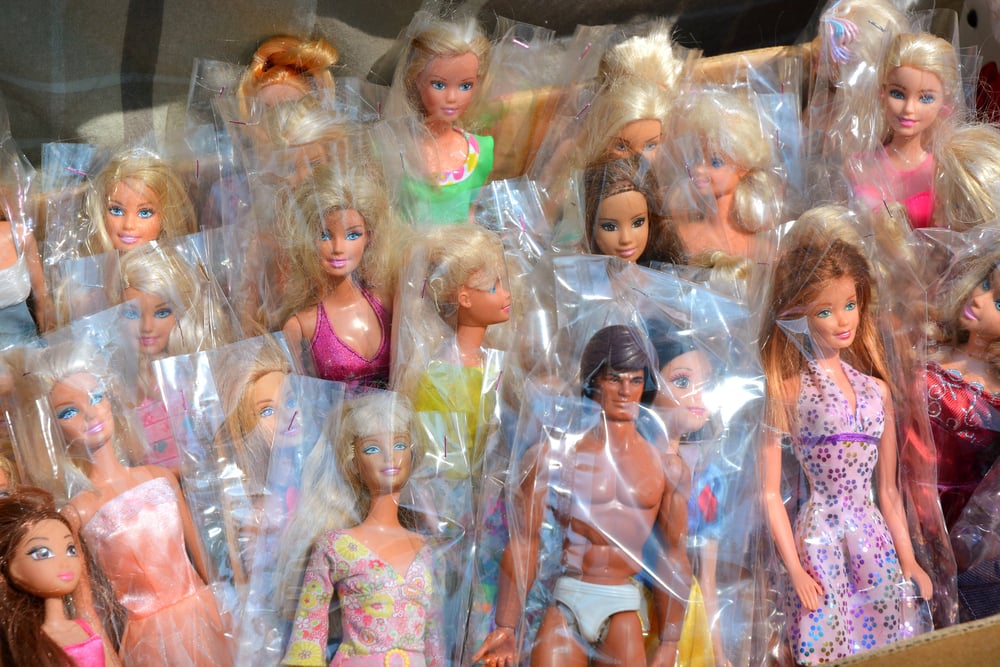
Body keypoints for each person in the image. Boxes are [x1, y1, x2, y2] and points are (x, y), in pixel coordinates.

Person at [474, 324, 690, 666]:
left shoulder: (667, 468)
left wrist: (670, 640)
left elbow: (673, 555)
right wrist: (506, 625)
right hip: (568, 600)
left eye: (635, 380)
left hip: (622, 604)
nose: (625, 390)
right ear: (593, 381)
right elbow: (525, 540)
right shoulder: (554, 457)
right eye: (614, 379)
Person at [760, 237, 932, 663]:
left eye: (850, 305)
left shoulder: (876, 391)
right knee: (825, 638)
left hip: (872, 534)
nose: (842, 320)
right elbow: (768, 493)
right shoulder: (788, 390)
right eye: (825, 311)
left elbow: (888, 491)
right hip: (819, 537)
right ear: (798, 316)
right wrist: (795, 569)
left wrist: (909, 560)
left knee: (888, 634)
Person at [26, 342, 230, 666]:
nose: (90, 414)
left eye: (96, 397)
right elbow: (86, 607)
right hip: (151, 639)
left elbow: (203, 559)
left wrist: (228, 606)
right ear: (53, 429)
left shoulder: (160, 477)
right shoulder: (78, 512)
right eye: (68, 411)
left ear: (111, 400)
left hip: (206, 613)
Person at [281, 391, 445, 666]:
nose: (389, 457)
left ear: (412, 453)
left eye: (399, 445)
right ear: (354, 463)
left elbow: (434, 640)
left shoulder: (427, 550)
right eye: (372, 449)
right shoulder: (336, 546)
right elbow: (307, 635)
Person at [279, 163, 396, 393]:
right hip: (336, 417)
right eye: (324, 235)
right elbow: (301, 397)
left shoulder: (387, 302)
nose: (338, 248)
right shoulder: (302, 325)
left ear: (369, 237)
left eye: (353, 235)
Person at [0, 486, 124, 667]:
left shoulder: (83, 628)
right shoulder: (25, 641)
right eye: (42, 553)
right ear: (11, 567)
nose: (64, 563)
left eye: (70, 550)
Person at [387, 14, 493, 224]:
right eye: (439, 84)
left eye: (465, 85)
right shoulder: (391, 146)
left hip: (458, 244)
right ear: (416, 80)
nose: (452, 98)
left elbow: (470, 215)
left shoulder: (481, 151)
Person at [849, 32, 960, 229]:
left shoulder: (943, 172)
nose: (909, 109)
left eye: (925, 98)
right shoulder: (858, 165)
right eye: (898, 94)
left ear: (945, 100)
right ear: (882, 92)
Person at [666, 87, 784, 263]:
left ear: (743, 168)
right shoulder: (681, 236)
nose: (699, 169)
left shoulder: (761, 247)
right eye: (696, 157)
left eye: (716, 162)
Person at [83, 149, 197, 254]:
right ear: (101, 211)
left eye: (145, 213)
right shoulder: (90, 264)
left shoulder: (174, 266)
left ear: (165, 217)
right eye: (116, 210)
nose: (128, 225)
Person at [582, 156, 677, 266]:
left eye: (638, 222)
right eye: (610, 227)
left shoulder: (665, 272)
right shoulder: (584, 275)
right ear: (590, 226)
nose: (626, 239)